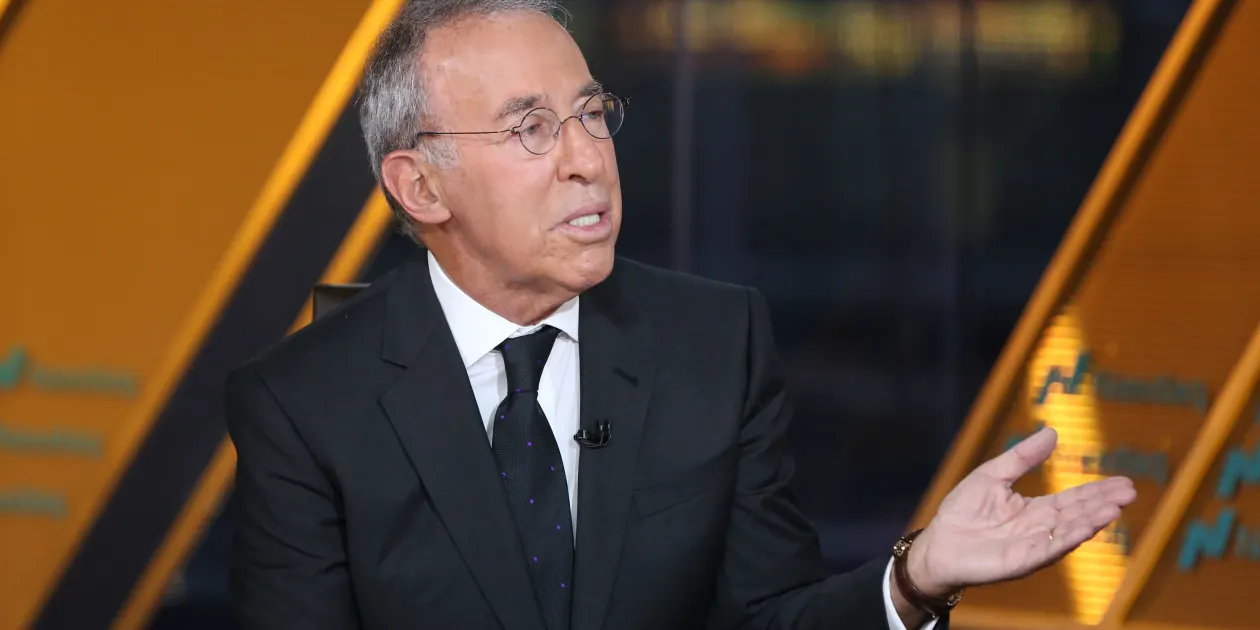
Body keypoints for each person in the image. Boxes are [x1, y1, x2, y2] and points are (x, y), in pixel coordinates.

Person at [224, 0, 1137, 628]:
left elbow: (770, 617)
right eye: (532, 129)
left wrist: (916, 577)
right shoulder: (304, 405)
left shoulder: (713, 344)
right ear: (420, 186)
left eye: (592, 114)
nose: (588, 159)